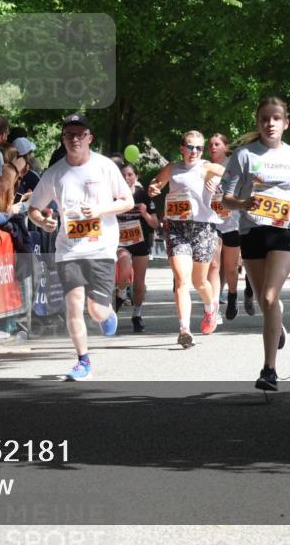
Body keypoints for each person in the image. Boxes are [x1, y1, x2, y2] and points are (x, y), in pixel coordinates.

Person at [28, 114, 133, 380]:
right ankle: (82, 361)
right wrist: (44, 222)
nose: (74, 139)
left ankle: (106, 313)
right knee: (73, 305)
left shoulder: (105, 166)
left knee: (95, 311)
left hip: (101, 248)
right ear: (63, 139)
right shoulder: (55, 173)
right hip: (69, 249)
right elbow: (33, 209)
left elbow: (127, 201)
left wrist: (99, 209)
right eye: (69, 135)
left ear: (90, 138)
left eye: (80, 134)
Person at [220, 96, 290, 392]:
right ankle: (277, 323)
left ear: (285, 123)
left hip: (284, 232)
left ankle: (269, 370)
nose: (270, 123)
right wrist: (244, 202)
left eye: (276, 118)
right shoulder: (244, 156)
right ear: (257, 122)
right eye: (264, 118)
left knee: (271, 298)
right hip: (252, 232)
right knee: (263, 300)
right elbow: (225, 198)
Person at [148, 131, 225, 346]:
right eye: (190, 147)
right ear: (182, 148)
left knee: (199, 281)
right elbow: (156, 183)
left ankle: (210, 309)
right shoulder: (172, 169)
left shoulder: (207, 167)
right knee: (181, 280)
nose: (194, 152)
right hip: (176, 227)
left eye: (199, 148)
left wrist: (218, 183)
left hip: (203, 228)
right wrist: (154, 187)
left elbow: (230, 175)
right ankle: (184, 329)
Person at [116, 162, 158, 332]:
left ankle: (137, 315)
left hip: (140, 243)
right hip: (121, 243)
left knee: (139, 285)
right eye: (123, 175)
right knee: (125, 268)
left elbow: (155, 224)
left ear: (136, 177)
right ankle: (120, 293)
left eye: (130, 175)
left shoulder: (143, 196)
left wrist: (145, 213)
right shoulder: (113, 196)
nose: (126, 178)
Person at [207, 132, 243, 319]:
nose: (212, 147)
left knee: (230, 267)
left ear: (226, 147)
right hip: (213, 223)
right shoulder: (205, 168)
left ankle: (232, 295)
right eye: (210, 144)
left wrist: (229, 202)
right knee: (213, 264)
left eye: (217, 144)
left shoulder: (234, 166)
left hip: (232, 222)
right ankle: (213, 309)